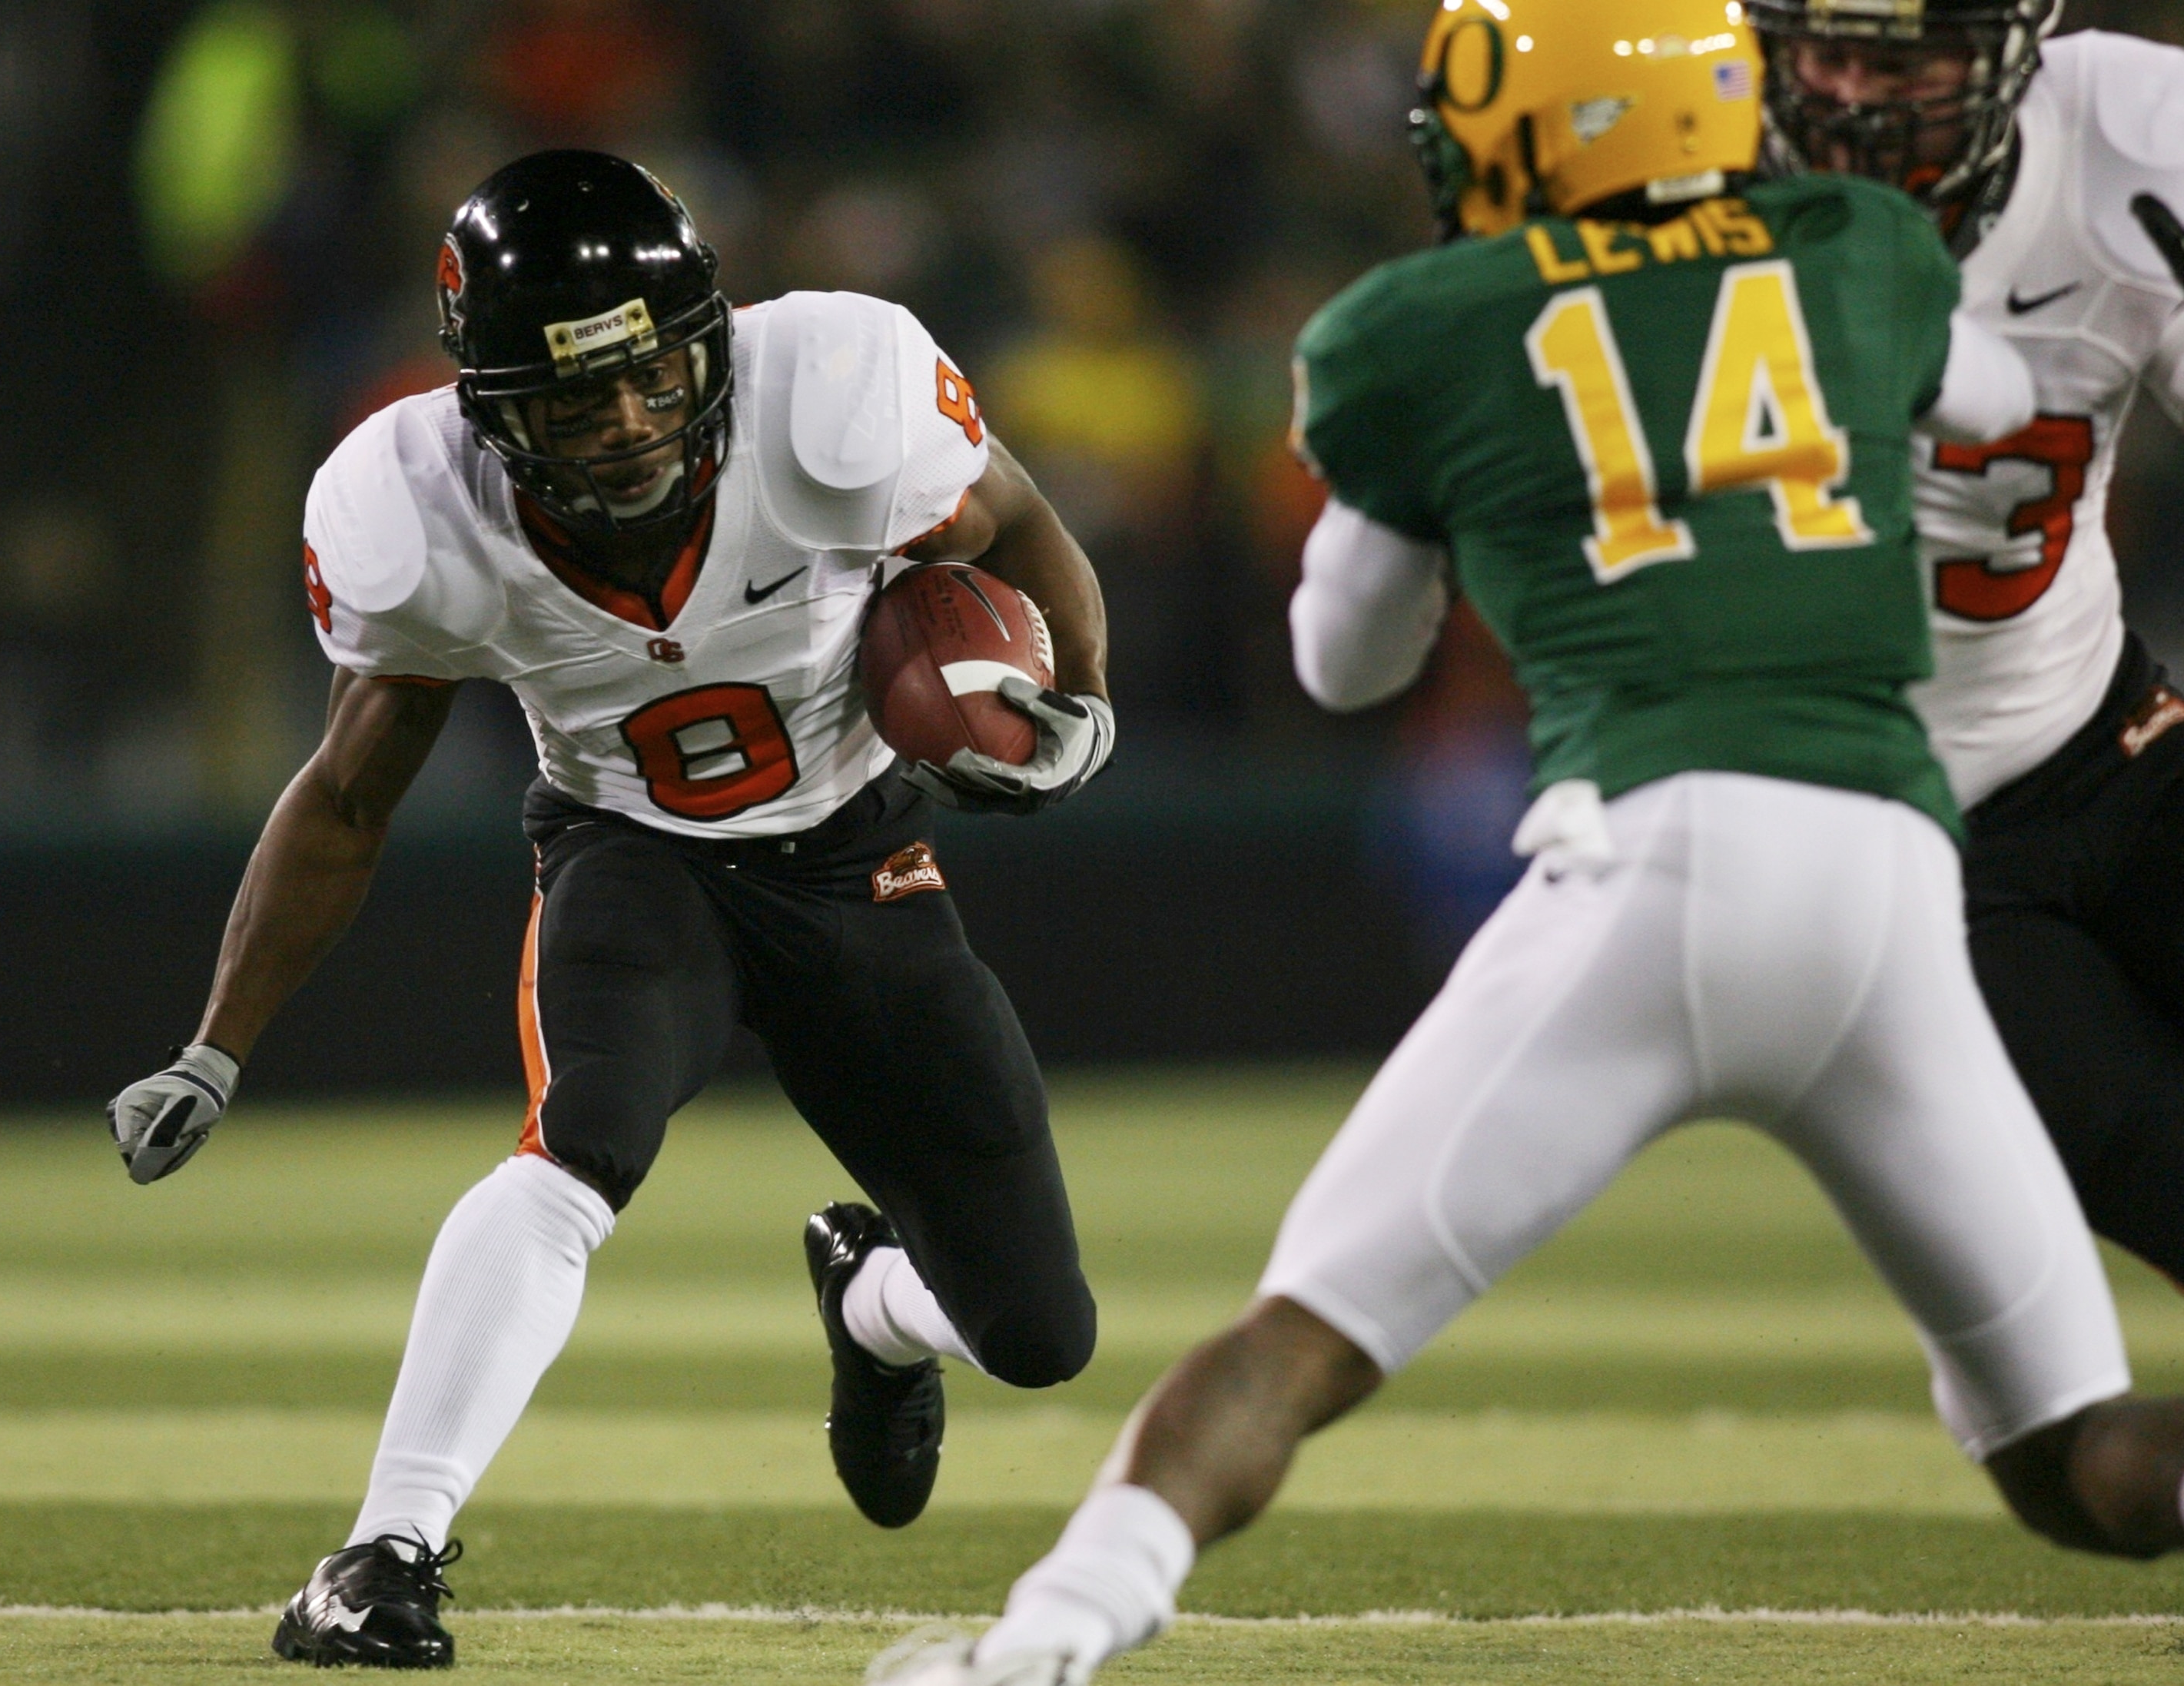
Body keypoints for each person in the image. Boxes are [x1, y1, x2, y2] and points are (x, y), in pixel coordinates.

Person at [863, 4, 2184, 1682]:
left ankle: (1039, 1646)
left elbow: (1342, 662)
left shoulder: (1418, 325)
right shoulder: (1862, 251)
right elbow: (1992, 393)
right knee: (2080, 1458)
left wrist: (1461, 479)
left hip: (1653, 868)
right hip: (1899, 883)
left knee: (1302, 1338)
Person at [105, 150, 1115, 1670]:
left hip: (857, 853)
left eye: (653, 376)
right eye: (578, 400)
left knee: (1040, 1333)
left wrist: (1084, 707)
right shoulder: (420, 510)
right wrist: (216, 1043)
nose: (633, 422)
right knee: (579, 1144)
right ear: (491, 409)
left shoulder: (835, 398)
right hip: (636, 854)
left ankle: (877, 1308)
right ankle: (380, 1552)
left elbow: (1017, 521)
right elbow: (349, 796)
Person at [1744, 2, 2184, 1284]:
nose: (1849, 94)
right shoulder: (1676, 183)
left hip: (2118, 746)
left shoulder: (2130, 133)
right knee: (2155, 1161)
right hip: (1899, 857)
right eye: (1823, 51)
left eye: (1899, 60)